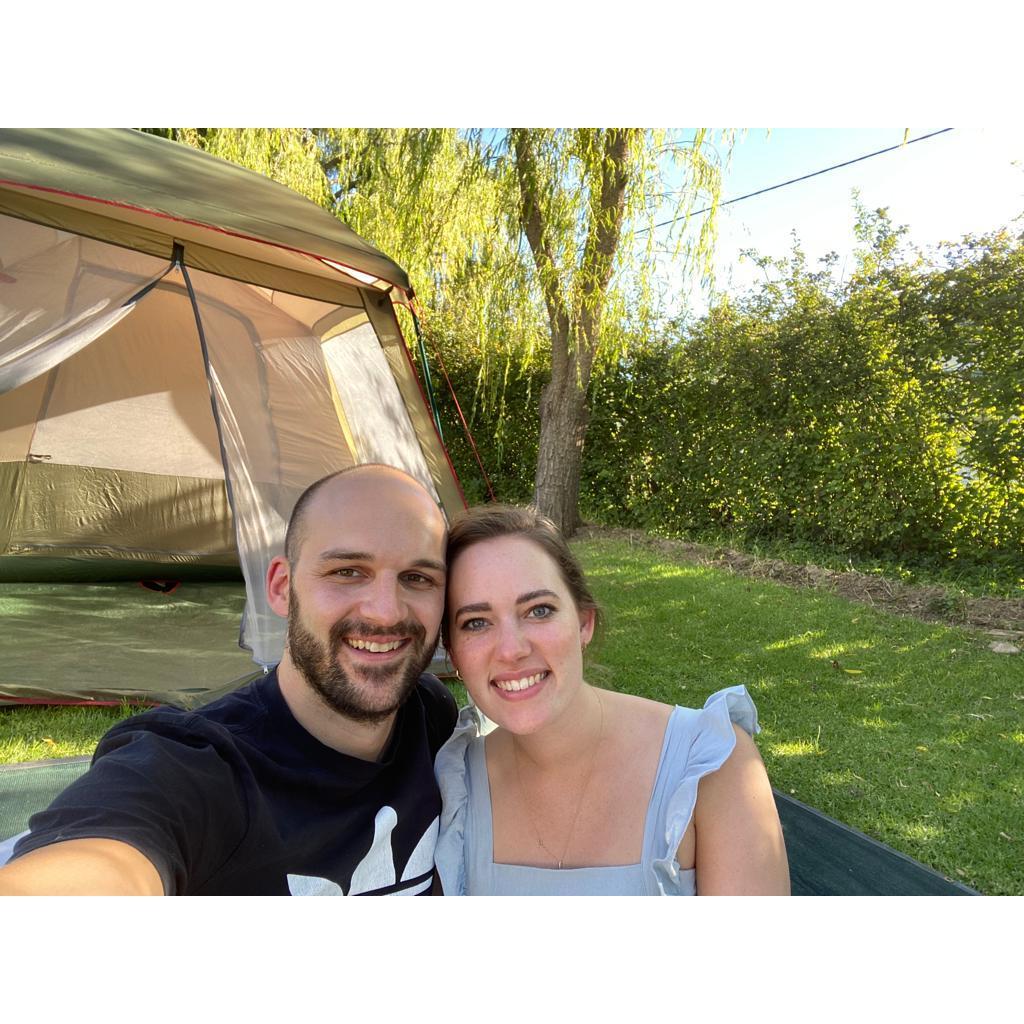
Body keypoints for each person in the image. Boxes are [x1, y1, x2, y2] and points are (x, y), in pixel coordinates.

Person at [0, 465, 457, 896]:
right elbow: (101, 858)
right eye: (347, 571)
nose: (386, 611)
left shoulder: (429, 715)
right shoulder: (190, 769)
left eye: (417, 578)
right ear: (281, 587)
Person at [433, 505, 790, 895]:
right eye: (476, 623)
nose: (511, 649)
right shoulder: (456, 785)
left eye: (538, 610)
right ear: (453, 653)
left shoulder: (711, 764)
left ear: (584, 623)